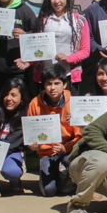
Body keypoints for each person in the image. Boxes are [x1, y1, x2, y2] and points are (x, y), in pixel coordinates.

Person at [27, 66, 83, 197]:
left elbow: (80, 136)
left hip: (69, 149)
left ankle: (70, 175)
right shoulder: (34, 103)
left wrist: (66, 147)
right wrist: (34, 145)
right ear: (43, 85)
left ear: (65, 85)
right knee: (49, 191)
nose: (53, 88)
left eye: (57, 83)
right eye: (49, 83)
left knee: (73, 162)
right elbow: (30, 133)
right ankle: (55, 175)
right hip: (47, 150)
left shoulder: (73, 102)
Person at [33, 0, 90, 93]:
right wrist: (27, 61)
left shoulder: (79, 21)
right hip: (45, 77)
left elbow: (85, 50)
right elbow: (35, 49)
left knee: (69, 105)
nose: (57, 1)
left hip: (69, 76)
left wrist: (69, 59)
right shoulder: (41, 21)